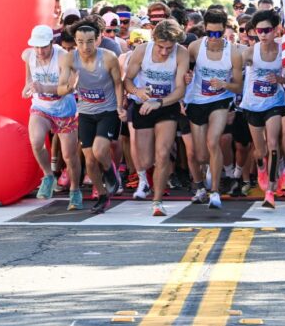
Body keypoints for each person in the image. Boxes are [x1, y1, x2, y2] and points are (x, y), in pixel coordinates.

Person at [57, 20, 125, 214]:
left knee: (100, 150)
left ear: (97, 40)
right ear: (75, 41)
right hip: (86, 112)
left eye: (89, 41)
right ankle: (102, 195)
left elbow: (118, 83)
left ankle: (111, 172)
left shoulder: (109, 57)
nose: (85, 46)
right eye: (80, 42)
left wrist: (120, 107)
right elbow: (60, 89)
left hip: (108, 111)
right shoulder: (70, 58)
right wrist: (71, 86)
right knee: (89, 160)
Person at [124, 19, 189, 216]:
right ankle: (147, 180)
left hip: (166, 106)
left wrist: (159, 102)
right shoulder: (142, 51)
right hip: (142, 106)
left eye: (169, 48)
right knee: (145, 161)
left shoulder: (181, 53)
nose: (164, 52)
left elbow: (180, 90)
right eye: (161, 47)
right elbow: (127, 80)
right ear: (154, 40)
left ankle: (158, 201)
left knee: (162, 154)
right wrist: (137, 91)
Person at [184, 9, 244, 209]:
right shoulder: (195, 47)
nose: (214, 37)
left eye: (218, 33)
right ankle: (201, 186)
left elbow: (239, 87)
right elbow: (184, 70)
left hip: (220, 100)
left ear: (225, 30)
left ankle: (215, 192)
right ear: (205, 30)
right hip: (197, 101)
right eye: (210, 33)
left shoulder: (233, 53)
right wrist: (186, 77)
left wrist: (224, 84)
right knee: (201, 155)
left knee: (213, 141)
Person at [22, 25, 82, 210]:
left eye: (44, 47)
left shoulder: (63, 57)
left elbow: (69, 87)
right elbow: (29, 79)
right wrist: (27, 88)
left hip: (64, 109)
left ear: (51, 43)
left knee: (69, 156)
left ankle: (75, 190)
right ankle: (48, 176)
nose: (40, 51)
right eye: (36, 47)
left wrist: (44, 88)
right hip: (41, 106)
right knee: (36, 141)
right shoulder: (28, 55)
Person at [240, 9, 285, 209]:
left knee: (273, 143)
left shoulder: (284, 51)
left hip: (275, 103)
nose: (263, 34)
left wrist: (281, 78)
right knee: (260, 150)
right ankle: (260, 167)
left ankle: (270, 189)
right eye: (259, 31)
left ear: (276, 30)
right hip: (253, 105)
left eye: (267, 30)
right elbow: (237, 70)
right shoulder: (250, 52)